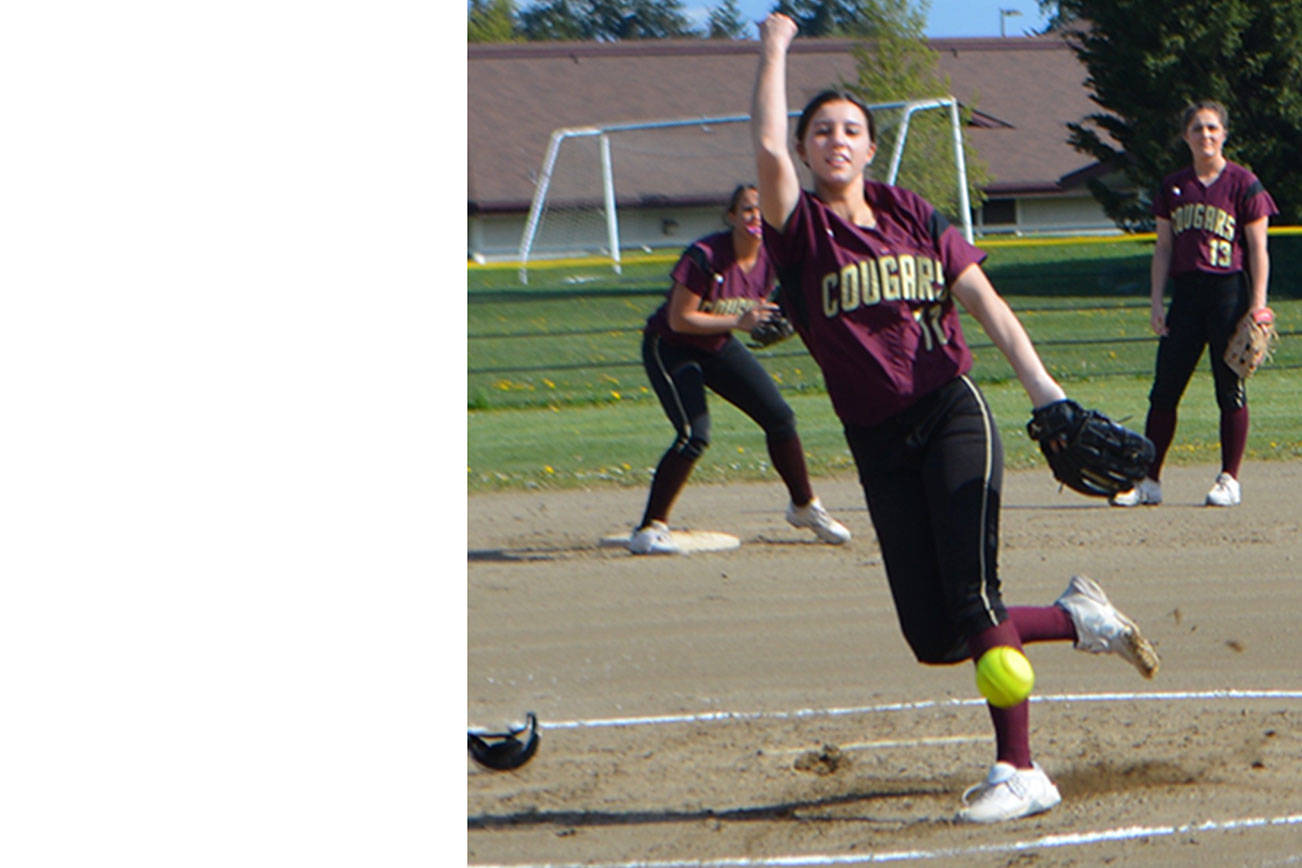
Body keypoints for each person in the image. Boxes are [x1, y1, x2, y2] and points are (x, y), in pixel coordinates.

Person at [751, 13, 1158, 823]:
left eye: (852, 130)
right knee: (936, 636)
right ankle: (1078, 617)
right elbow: (762, 150)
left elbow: (988, 304)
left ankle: (1021, 769)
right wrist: (774, 49)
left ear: (871, 148)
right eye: (822, 130)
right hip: (876, 440)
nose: (837, 139)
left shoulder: (915, 213)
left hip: (950, 412)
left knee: (975, 597)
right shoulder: (801, 234)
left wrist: (1046, 392)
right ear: (804, 152)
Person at [629, 183, 851, 555]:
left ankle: (803, 506)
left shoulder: (773, 257)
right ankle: (649, 528)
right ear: (731, 217)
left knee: (779, 418)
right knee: (693, 434)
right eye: (747, 209)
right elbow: (680, 319)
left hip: (717, 344)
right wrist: (740, 322)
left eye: (762, 210)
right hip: (670, 346)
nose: (755, 217)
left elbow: (783, 304)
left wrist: (783, 321)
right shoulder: (704, 256)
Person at [1110, 100, 1277, 508]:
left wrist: (1258, 305)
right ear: (1186, 136)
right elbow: (1163, 247)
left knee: (1229, 389)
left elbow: (1258, 249)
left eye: (1213, 128)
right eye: (1198, 128)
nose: (1206, 135)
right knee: (1164, 391)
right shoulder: (1173, 186)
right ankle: (1149, 480)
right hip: (1185, 296)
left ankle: (1229, 478)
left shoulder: (1243, 183)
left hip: (1228, 296)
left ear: (1224, 135)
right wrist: (1155, 301)